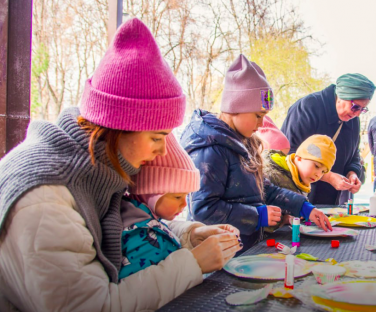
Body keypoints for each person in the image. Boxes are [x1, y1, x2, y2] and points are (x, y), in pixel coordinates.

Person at [0, 19, 241, 311]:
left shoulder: (95, 168)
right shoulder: (45, 201)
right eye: (156, 137)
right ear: (121, 124)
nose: (162, 150)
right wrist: (190, 265)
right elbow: (91, 306)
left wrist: (190, 237)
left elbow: (127, 230)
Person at [179, 54, 332, 253]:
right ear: (235, 107)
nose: (261, 124)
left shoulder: (246, 144)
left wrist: (305, 207)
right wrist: (256, 216)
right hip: (215, 254)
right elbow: (202, 210)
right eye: (258, 116)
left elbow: (265, 190)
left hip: (243, 248)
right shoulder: (210, 149)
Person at [120, 133, 241, 279]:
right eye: (177, 197)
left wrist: (194, 235)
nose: (184, 204)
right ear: (150, 193)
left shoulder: (150, 223)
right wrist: (195, 263)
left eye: (186, 196)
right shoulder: (137, 235)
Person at [281, 73, 376, 205]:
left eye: (362, 109)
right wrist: (328, 176)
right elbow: (288, 154)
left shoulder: (353, 120)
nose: (357, 114)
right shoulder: (308, 108)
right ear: (342, 96)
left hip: (332, 203)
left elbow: (354, 155)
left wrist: (353, 173)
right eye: (355, 107)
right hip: (299, 198)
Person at [263, 134, 337, 197]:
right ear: (299, 158)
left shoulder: (301, 182)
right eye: (317, 166)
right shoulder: (272, 176)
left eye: (323, 171)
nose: (318, 174)